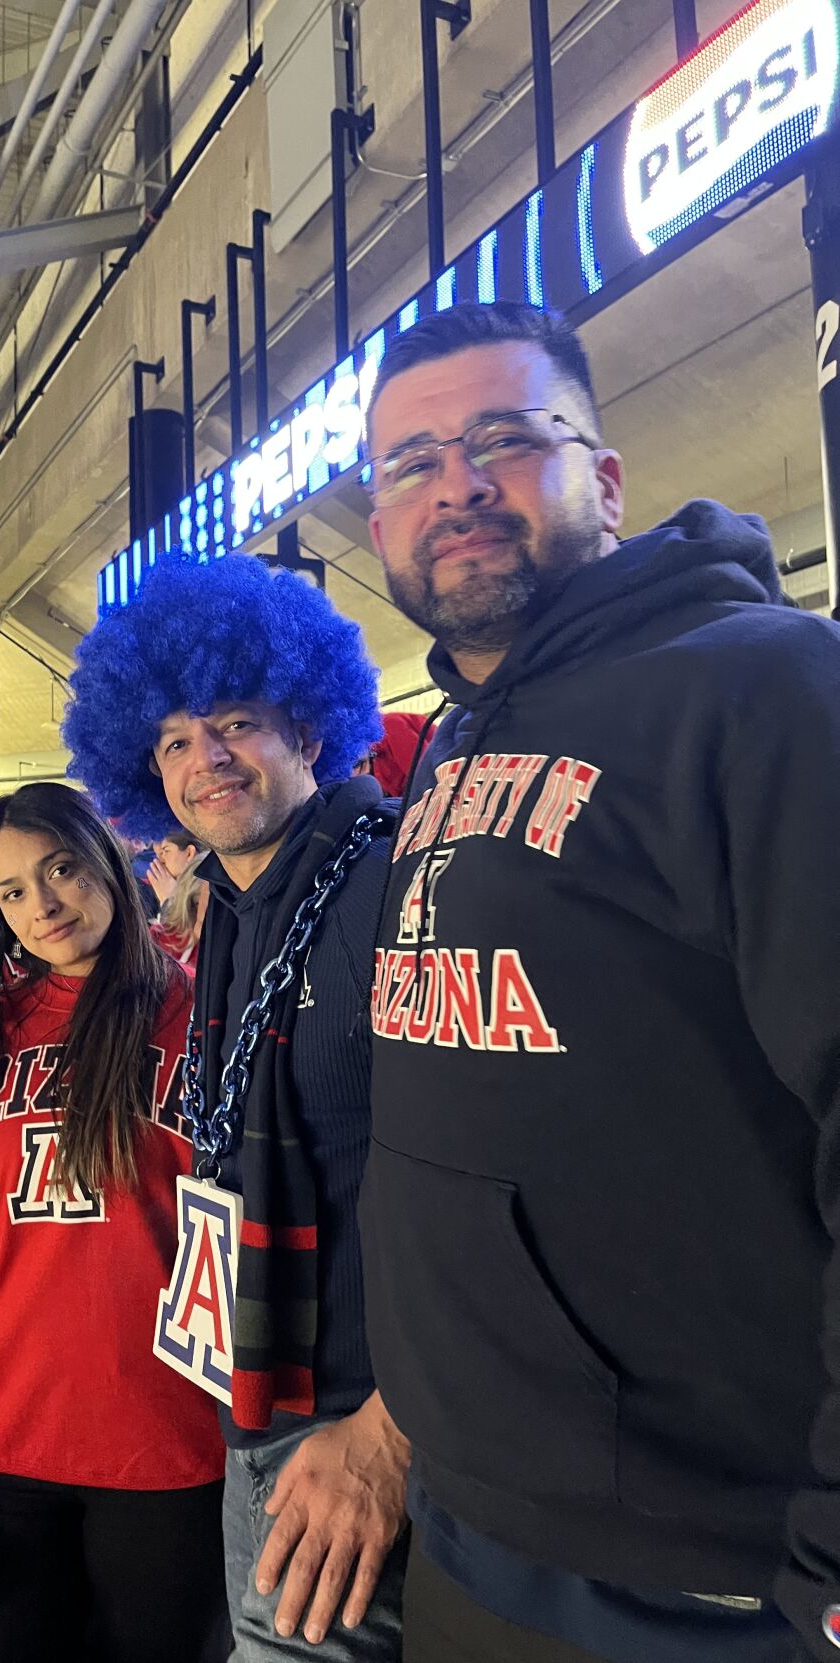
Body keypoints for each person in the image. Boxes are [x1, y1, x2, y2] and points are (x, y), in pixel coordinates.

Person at [359, 297, 840, 1663]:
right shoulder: (455, 743)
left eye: (503, 438)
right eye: (409, 462)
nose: (454, 483)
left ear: (603, 478)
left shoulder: (764, 687)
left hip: (699, 1580)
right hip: (473, 1525)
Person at [64, 554, 411, 1661]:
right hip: (259, 1403)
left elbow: (495, 1176)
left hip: (361, 1431)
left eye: (234, 721)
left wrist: (392, 1436)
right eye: (171, 739)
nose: (203, 760)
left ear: (309, 727)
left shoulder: (394, 881)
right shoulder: (229, 902)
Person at [0, 783, 228, 1663]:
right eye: (13, 891)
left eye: (61, 867)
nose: (44, 904)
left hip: (171, 1452)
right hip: (1, 1451)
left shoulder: (203, 1020)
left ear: (107, 860)